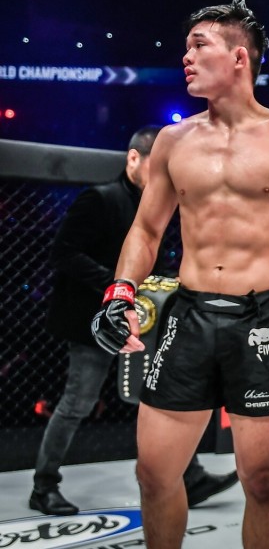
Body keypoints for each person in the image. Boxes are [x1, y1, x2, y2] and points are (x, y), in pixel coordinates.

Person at [90, 0, 269, 549]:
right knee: (153, 474)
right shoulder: (173, 141)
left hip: (263, 317)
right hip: (188, 315)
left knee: (261, 481)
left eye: (199, 45)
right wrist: (119, 294)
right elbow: (146, 231)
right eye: (186, 47)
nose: (185, 58)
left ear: (240, 57)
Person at [30, 126, 237, 516]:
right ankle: (44, 486)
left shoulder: (155, 207)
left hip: (140, 322)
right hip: (93, 321)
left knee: (156, 397)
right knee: (78, 401)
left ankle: (188, 476)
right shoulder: (100, 199)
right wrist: (117, 287)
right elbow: (63, 253)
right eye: (158, 166)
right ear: (133, 159)